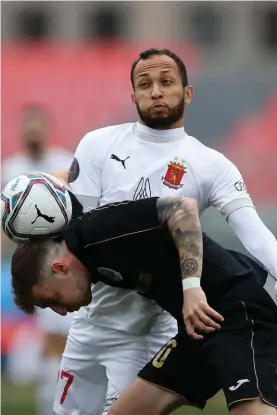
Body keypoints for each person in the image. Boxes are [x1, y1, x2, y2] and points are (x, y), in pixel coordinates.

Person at [53, 48, 277, 414]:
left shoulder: (211, 165)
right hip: (92, 321)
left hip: (153, 324)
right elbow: (84, 233)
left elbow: (258, 239)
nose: (155, 91)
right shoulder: (97, 144)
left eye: (166, 82)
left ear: (187, 92)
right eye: (145, 84)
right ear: (133, 96)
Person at [10, 196, 277, 415]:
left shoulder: (95, 232)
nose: (60, 312)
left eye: (52, 301)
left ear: (59, 269)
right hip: (197, 330)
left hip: (241, 313)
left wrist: (192, 286)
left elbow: (182, 208)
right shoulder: (89, 263)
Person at [1, 104, 73, 415]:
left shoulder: (64, 162)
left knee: (71, 343)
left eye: (37, 125)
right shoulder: (10, 169)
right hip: (38, 269)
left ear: (46, 128)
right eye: (27, 126)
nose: (33, 132)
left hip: (70, 264)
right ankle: (51, 407)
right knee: (55, 341)